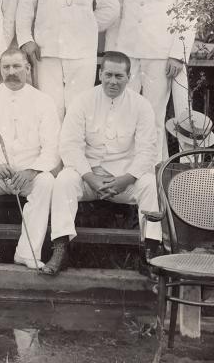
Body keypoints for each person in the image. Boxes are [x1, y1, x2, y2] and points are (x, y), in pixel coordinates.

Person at [44, 51, 161, 275]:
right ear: (100, 74)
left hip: (123, 181)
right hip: (88, 178)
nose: (112, 81)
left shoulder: (141, 106)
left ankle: (149, 253)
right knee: (64, 180)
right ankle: (60, 249)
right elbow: (70, 145)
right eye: (108, 75)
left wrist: (126, 180)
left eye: (119, 76)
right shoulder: (83, 101)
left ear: (129, 77)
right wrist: (90, 178)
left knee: (149, 184)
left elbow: (148, 151)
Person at [105, 0, 197, 161]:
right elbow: (116, 8)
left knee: (154, 117)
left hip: (160, 52)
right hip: (128, 51)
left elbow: (188, 12)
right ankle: (125, 175)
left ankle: (154, 176)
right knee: (124, 114)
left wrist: (178, 54)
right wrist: (113, 52)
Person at [0, 47, 60, 270]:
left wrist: (32, 171)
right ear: (0, 70)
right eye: (6, 67)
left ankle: (28, 252)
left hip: (29, 175)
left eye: (17, 66)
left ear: (28, 69)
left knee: (47, 181)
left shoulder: (44, 101)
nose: (11, 72)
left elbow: (52, 147)